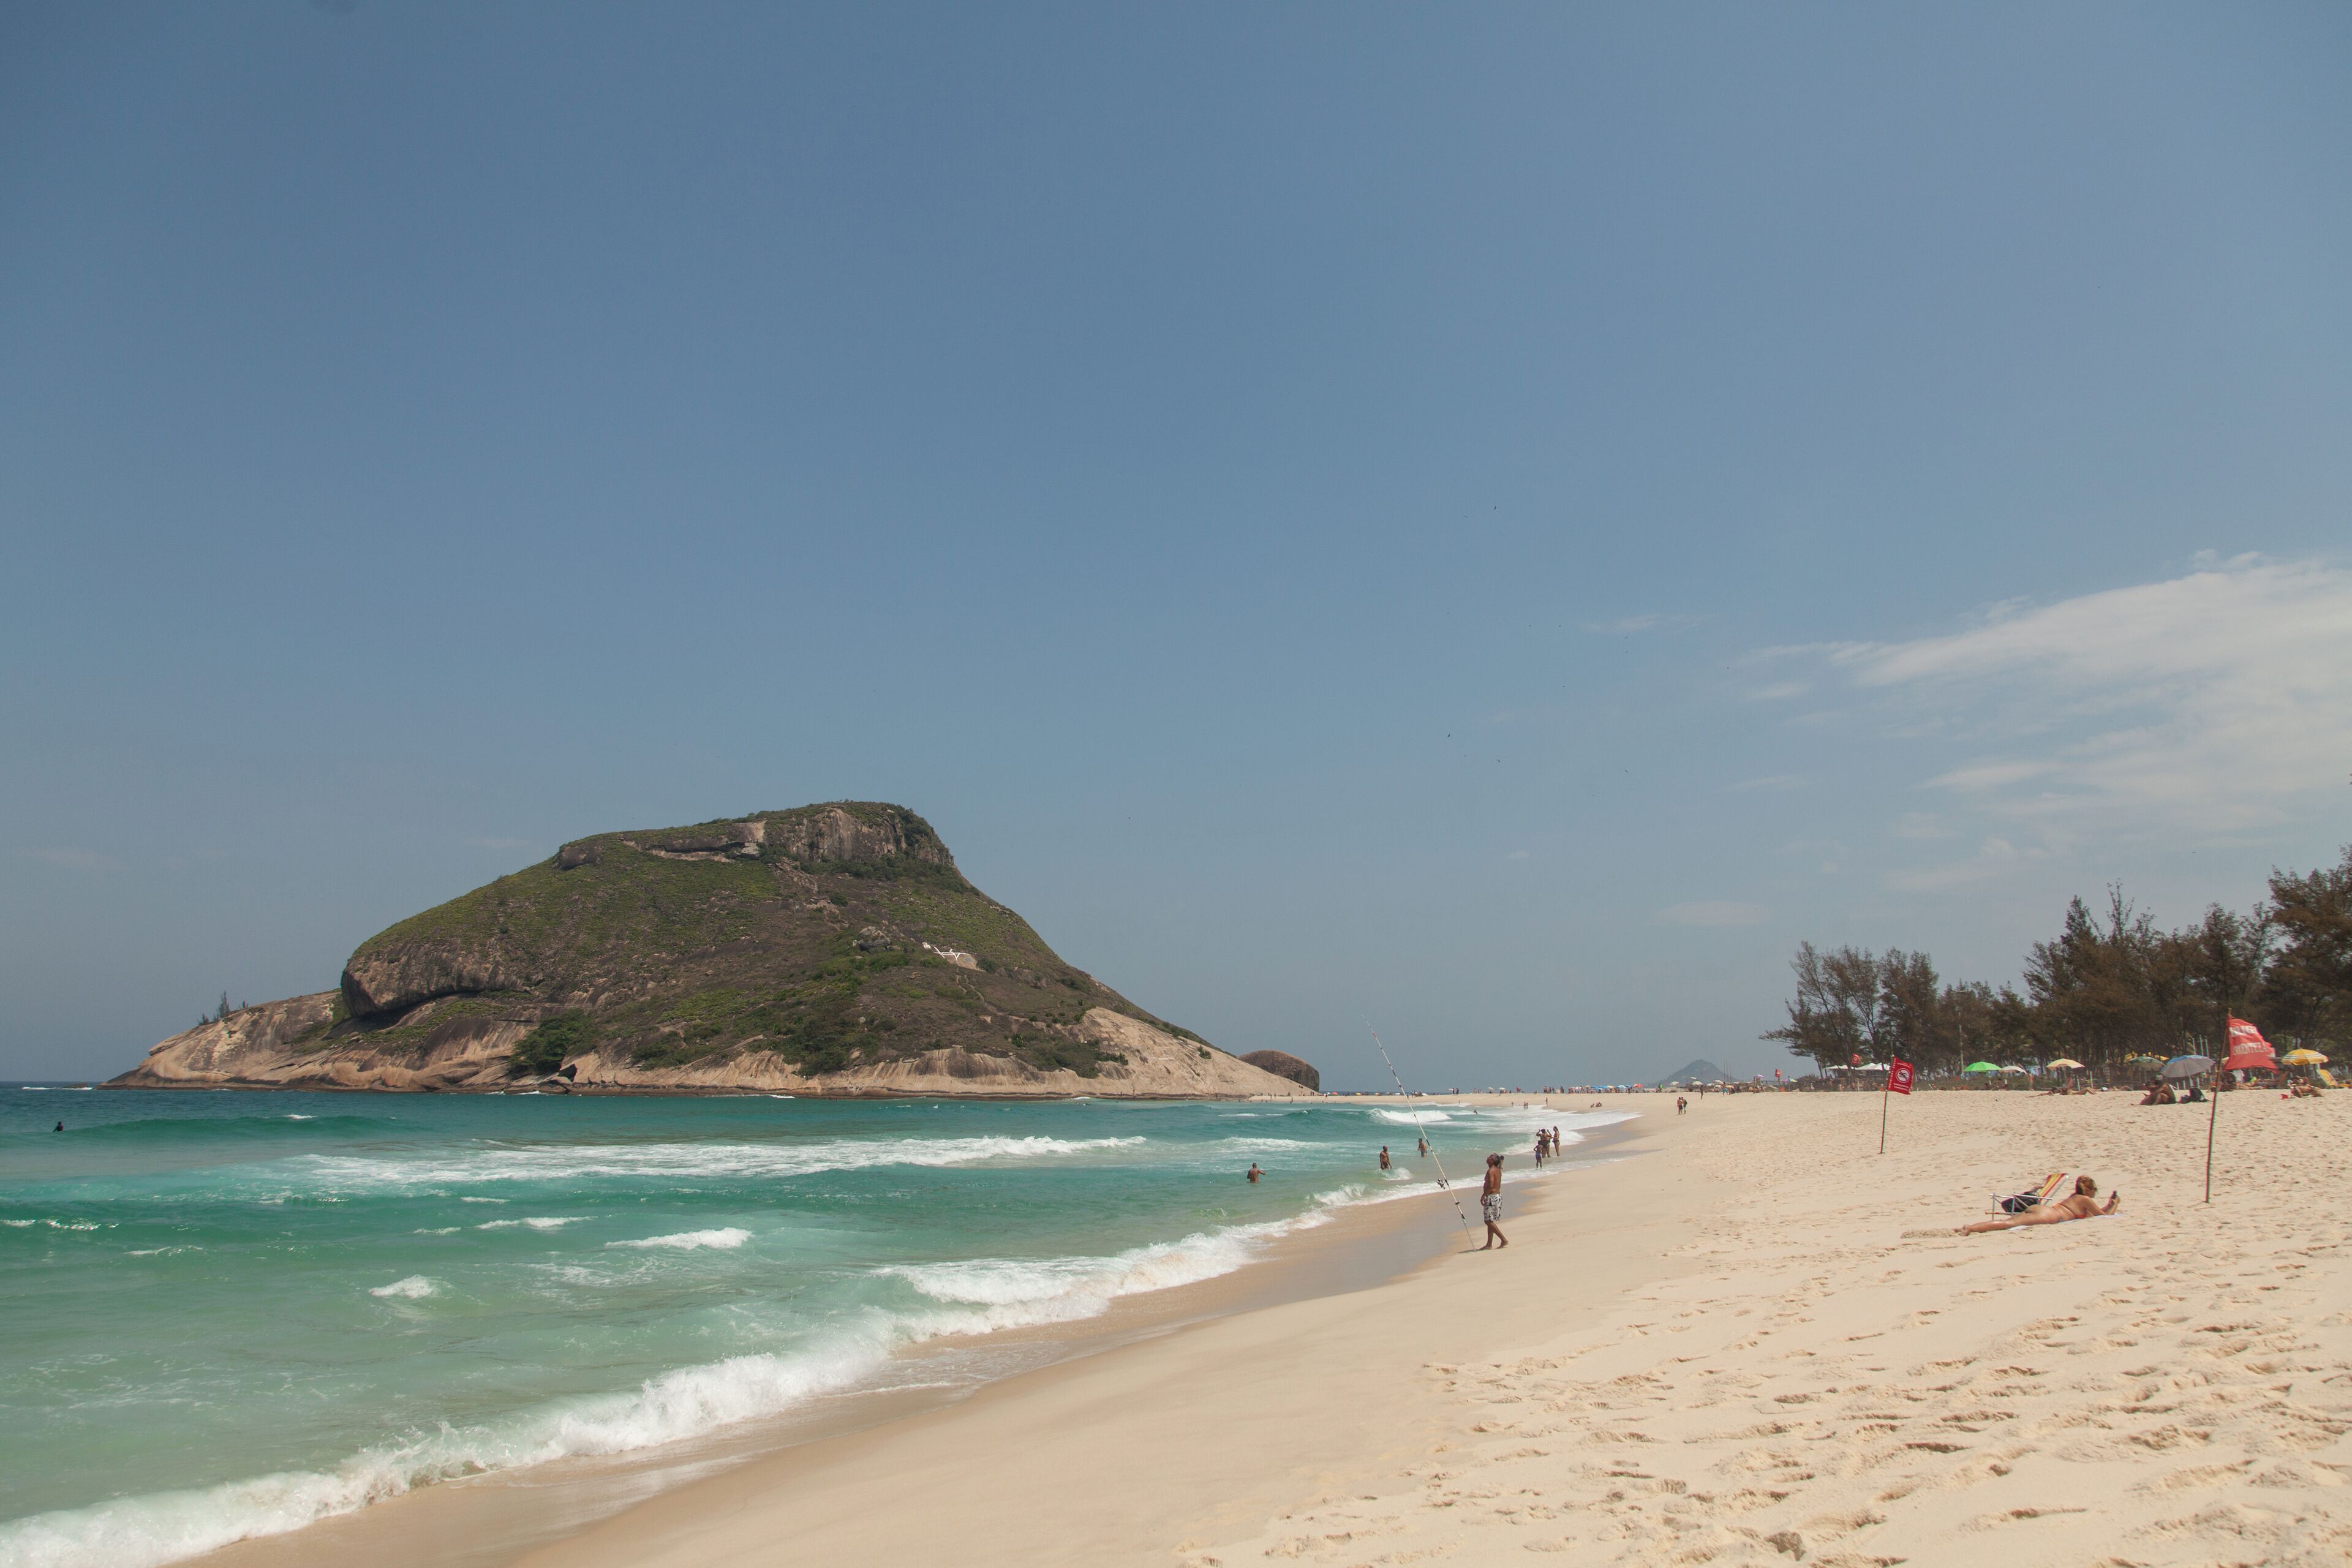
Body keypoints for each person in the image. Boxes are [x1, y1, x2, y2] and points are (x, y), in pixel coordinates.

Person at [1956, 1175, 2120, 1234]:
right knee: (2008, 1224)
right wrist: (2115, 1205)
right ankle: (1971, 1229)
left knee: (2009, 1222)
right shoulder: (2085, 1200)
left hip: (2043, 1209)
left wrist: (2109, 1204)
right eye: (2095, 1191)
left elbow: (2097, 1213)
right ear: (2090, 1190)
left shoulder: (2076, 1197)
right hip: (2050, 1215)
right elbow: (2104, 1217)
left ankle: (1970, 1227)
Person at [1479, 1153, 1508, 1249]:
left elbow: (1491, 1185)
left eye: (1490, 1157)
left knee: (1488, 1221)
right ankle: (1489, 1244)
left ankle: (1503, 1240)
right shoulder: (1497, 1170)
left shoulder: (1491, 1171)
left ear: (1492, 1161)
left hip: (1492, 1197)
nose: (1487, 1158)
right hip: (1496, 1196)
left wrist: (1483, 1196)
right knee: (1490, 1220)